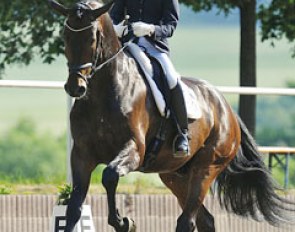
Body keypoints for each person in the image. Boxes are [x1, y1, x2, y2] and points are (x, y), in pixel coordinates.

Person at [110, 0, 189, 157]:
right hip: (128, 44)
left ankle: (182, 133)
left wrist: (151, 29)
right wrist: (115, 28)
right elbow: (114, 15)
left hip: (156, 48)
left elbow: (170, 26)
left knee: (172, 78)